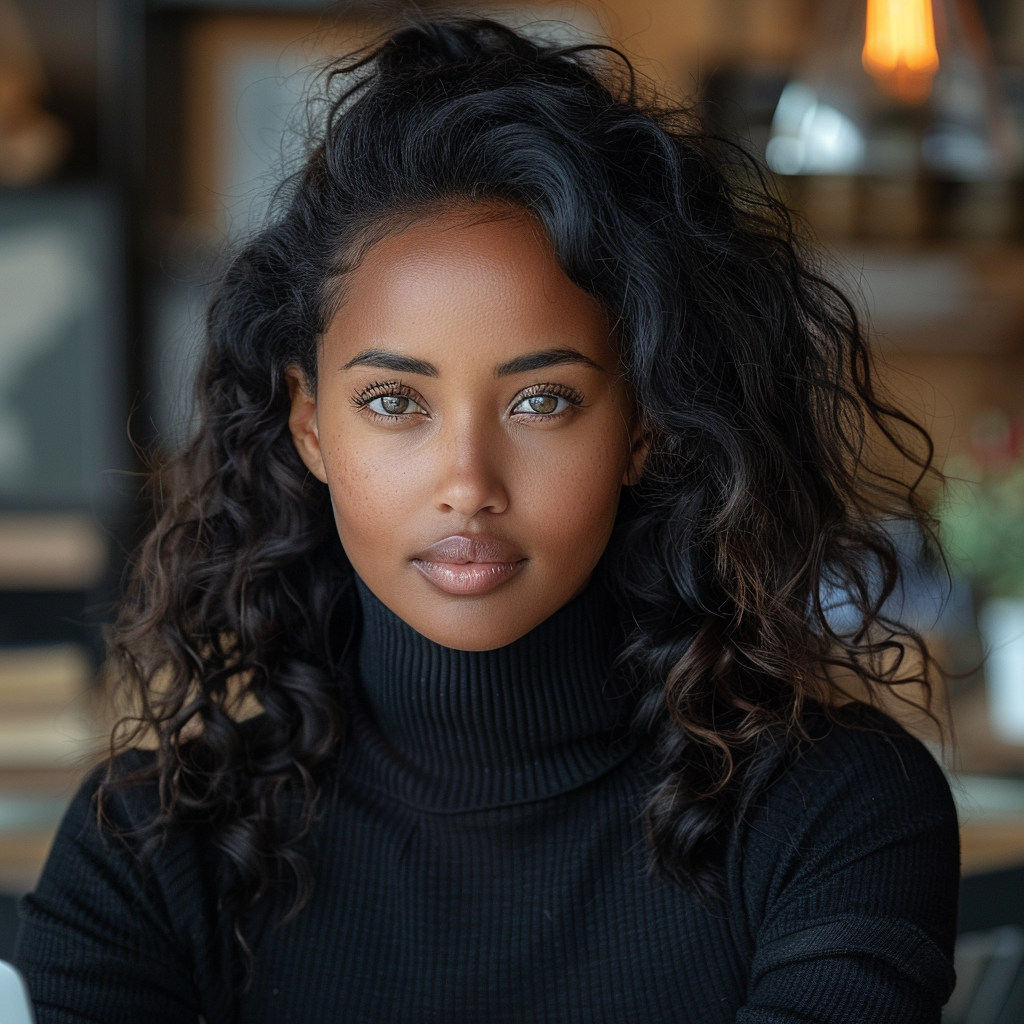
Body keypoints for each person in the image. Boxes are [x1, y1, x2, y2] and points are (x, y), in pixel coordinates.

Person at [13, 17, 959, 1023]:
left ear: (643, 424)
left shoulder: (832, 816)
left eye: (541, 401)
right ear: (310, 424)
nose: (468, 482)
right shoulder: (150, 846)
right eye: (393, 402)